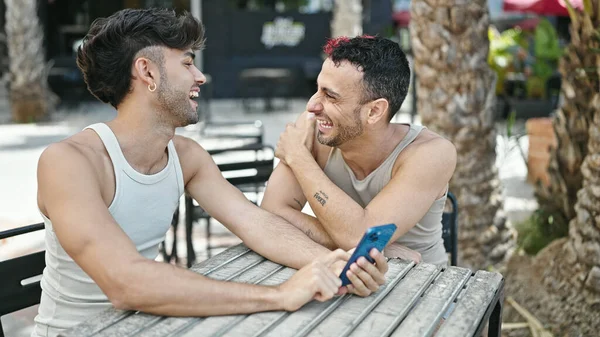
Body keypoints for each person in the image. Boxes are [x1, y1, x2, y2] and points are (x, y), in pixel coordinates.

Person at [32, 9, 388, 337]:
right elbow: (126, 283)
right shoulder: (69, 162)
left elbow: (256, 224)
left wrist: (334, 266)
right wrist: (278, 295)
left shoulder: (186, 156)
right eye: (187, 64)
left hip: (146, 325)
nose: (200, 77)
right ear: (147, 72)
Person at [261, 35, 457, 267]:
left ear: (374, 111)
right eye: (318, 89)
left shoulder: (430, 154)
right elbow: (271, 212)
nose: (312, 105)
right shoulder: (317, 128)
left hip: (423, 286)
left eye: (330, 96)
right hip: (346, 273)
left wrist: (299, 158)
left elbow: (359, 235)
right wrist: (381, 250)